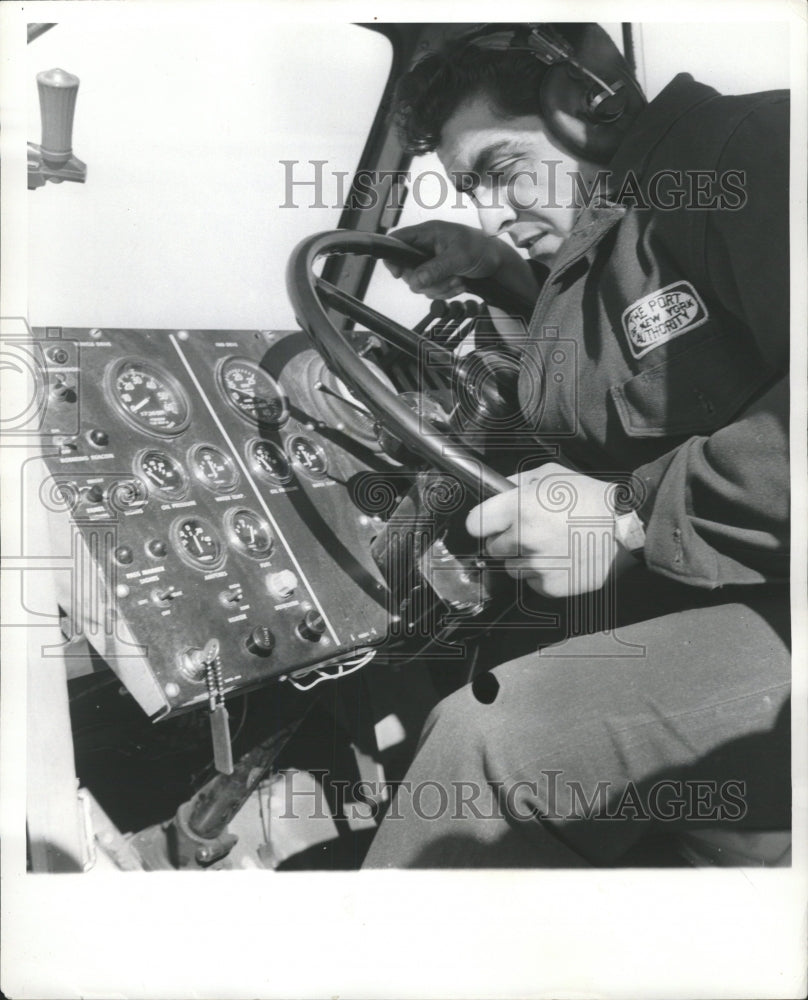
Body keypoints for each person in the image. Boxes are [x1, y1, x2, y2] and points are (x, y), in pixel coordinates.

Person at [362, 23, 791, 868]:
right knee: (436, 647)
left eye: (500, 172)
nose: (491, 207)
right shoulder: (617, 221)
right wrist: (495, 270)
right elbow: (618, 363)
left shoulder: (751, 154)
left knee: (488, 746)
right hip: (713, 581)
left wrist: (627, 516)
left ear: (585, 102)